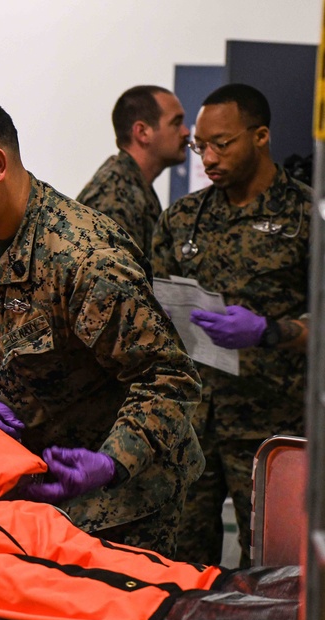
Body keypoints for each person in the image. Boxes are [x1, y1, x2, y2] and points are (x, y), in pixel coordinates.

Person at [0, 93, 204, 556]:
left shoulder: (84, 258)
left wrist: (111, 462)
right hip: (22, 484)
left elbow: (168, 377)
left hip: (121, 503)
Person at [151, 83, 310, 568]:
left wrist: (269, 331)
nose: (208, 157)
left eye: (223, 143)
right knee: (182, 568)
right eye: (201, 145)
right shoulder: (182, 219)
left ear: (260, 136)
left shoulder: (307, 216)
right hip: (193, 425)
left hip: (271, 432)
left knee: (275, 570)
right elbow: (153, 306)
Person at [77, 85, 190, 260]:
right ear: (143, 132)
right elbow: (110, 282)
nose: (186, 132)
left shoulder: (133, 186)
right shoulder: (115, 196)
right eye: (176, 123)